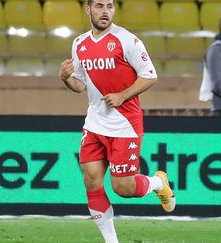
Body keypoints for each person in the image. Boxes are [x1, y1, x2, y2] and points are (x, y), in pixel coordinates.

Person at [59, 0, 175, 242]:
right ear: (88, 9)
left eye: (110, 6)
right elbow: (80, 85)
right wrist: (65, 78)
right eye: (99, 6)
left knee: (124, 189)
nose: (105, 11)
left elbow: (150, 75)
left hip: (125, 124)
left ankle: (157, 182)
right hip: (94, 122)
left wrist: (122, 95)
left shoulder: (127, 40)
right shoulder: (79, 44)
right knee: (91, 179)